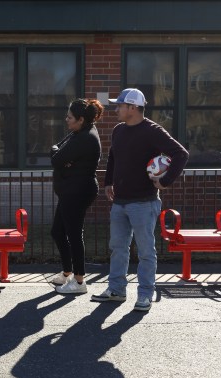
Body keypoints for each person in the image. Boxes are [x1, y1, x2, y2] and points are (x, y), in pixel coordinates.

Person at [92, 88, 189, 311]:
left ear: (133, 108)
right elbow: (113, 157)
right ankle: (116, 290)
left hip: (144, 202)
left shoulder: (152, 131)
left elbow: (181, 154)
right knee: (118, 247)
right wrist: (108, 182)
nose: (116, 109)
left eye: (120, 105)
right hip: (120, 201)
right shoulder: (118, 130)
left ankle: (145, 294)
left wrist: (165, 182)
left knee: (146, 252)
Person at [50, 99, 103, 295]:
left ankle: (79, 281)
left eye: (70, 117)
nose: (66, 120)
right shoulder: (79, 132)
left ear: (81, 119)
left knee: (73, 234)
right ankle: (67, 273)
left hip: (78, 192)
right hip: (69, 191)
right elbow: (57, 151)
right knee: (57, 232)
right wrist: (62, 158)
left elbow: (56, 158)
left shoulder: (85, 137)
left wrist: (62, 159)